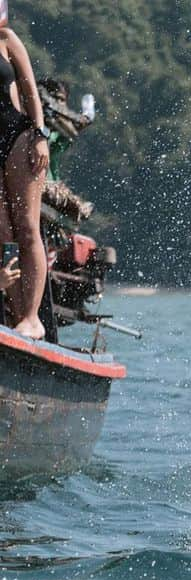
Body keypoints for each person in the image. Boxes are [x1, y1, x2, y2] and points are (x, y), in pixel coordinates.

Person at [0, 0, 48, 339]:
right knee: (3, 231)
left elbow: (30, 89)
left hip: (18, 136)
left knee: (27, 227)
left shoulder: (6, 38)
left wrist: (40, 135)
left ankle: (32, 318)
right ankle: (15, 315)